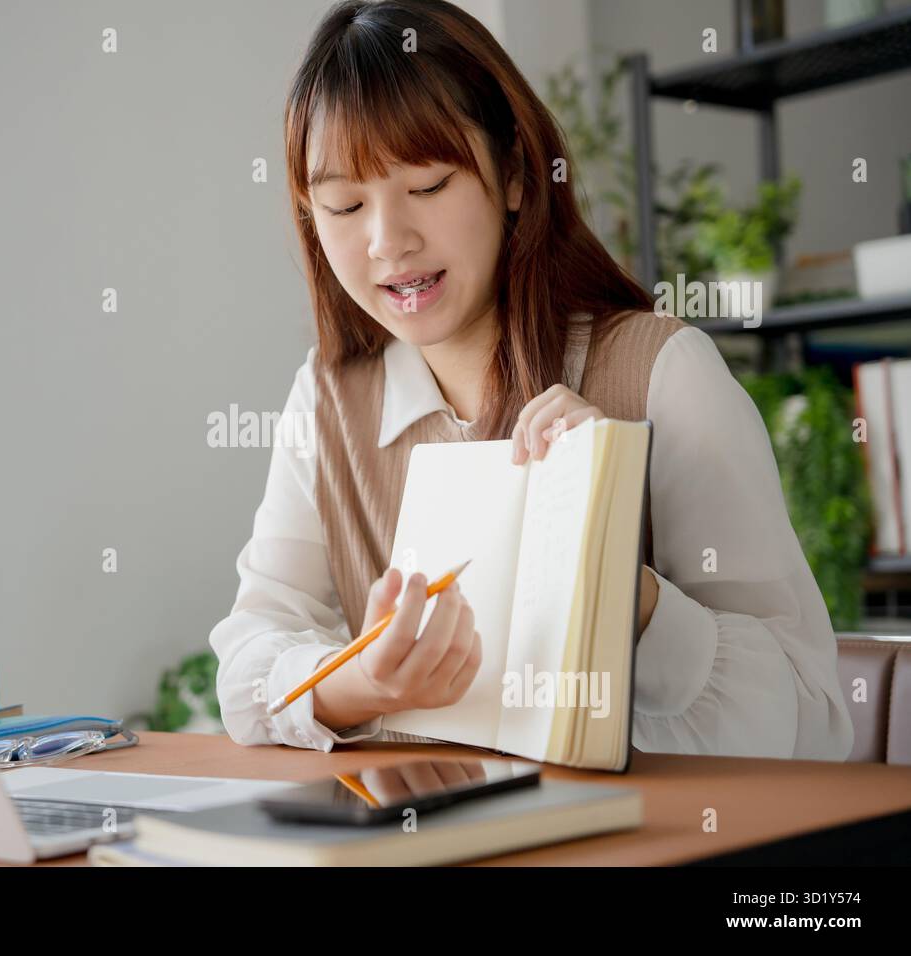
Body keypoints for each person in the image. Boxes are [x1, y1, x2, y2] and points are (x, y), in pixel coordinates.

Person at [208, 0, 853, 761]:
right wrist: (360, 686)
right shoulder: (326, 398)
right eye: (345, 203)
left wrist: (624, 584)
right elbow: (252, 652)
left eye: (428, 185)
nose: (389, 242)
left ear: (514, 173)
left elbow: (816, 723)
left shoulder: (661, 375)